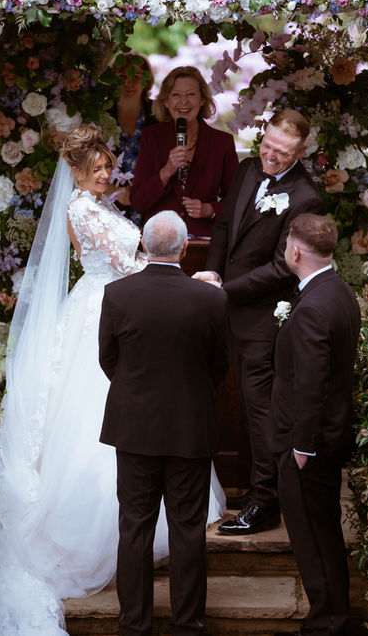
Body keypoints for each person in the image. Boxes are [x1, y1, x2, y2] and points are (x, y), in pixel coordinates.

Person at [0, 126, 226, 636]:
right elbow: (128, 265)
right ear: (74, 170)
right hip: (108, 305)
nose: (104, 175)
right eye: (95, 170)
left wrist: (174, 279)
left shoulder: (102, 204)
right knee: (96, 411)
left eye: (107, 167)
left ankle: (143, 613)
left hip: (127, 302)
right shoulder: (80, 210)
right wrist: (187, 281)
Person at [99, 210, 230, 636]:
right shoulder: (211, 299)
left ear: (143, 244)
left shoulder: (117, 294)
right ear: (185, 248)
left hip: (135, 429)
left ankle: (133, 625)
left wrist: (137, 395)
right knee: (188, 528)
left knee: (134, 527)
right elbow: (219, 364)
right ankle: (187, 625)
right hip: (189, 428)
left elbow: (109, 360)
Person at [194, 109, 324, 535]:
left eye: (281, 153)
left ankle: (265, 501)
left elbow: (282, 268)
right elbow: (224, 228)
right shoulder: (248, 169)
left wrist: (224, 290)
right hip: (223, 304)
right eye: (267, 145)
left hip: (262, 319)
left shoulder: (305, 198)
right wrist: (212, 273)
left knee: (259, 412)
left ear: (299, 153)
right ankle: (223, 489)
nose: (270, 155)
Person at [268, 213, 361, 636]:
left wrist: (301, 448)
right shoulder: (339, 291)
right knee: (324, 534)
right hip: (331, 434)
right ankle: (332, 617)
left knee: (312, 539)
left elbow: (311, 384)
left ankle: (327, 623)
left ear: (295, 250)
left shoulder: (313, 307)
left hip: (309, 445)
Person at [130, 65, 238, 237]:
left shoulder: (222, 142)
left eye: (191, 94)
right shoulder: (152, 137)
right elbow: (138, 202)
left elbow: (236, 200)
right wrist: (166, 171)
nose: (184, 101)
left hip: (202, 240)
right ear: (166, 102)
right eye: (176, 95)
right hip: (159, 240)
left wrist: (209, 209)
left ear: (202, 99)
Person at [108, 51, 156, 223]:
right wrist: (112, 191)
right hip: (109, 208)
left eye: (136, 77)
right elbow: (86, 168)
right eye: (122, 76)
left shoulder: (158, 114)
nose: (128, 83)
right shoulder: (103, 115)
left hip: (152, 206)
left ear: (146, 80)